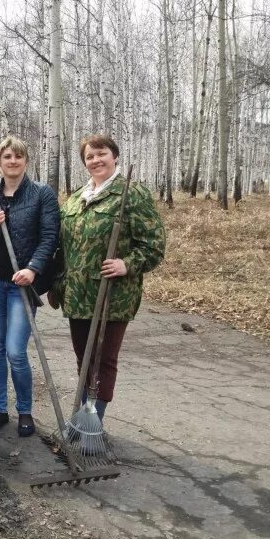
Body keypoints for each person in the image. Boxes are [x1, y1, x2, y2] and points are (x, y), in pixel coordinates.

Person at [52, 134, 165, 422]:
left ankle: (94, 419)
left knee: (104, 359)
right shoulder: (76, 198)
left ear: (114, 156)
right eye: (89, 157)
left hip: (113, 295)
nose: (95, 160)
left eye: (101, 153)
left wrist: (127, 264)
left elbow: (153, 245)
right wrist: (56, 282)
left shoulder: (132, 193)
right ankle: (82, 416)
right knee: (84, 358)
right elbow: (63, 245)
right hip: (77, 294)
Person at [0, 136, 59, 437]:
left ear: (26, 161)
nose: (12, 161)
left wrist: (33, 269)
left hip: (22, 284)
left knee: (15, 351)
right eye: (7, 156)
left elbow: (50, 238)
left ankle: (25, 411)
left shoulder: (41, 195)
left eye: (18, 156)